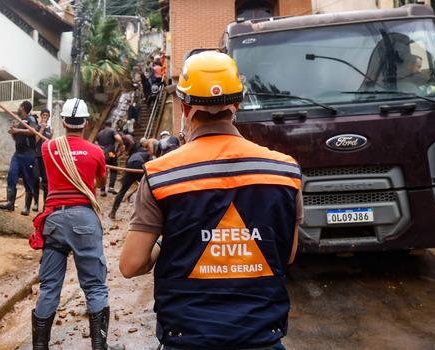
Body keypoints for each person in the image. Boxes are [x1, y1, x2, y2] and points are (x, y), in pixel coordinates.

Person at [119, 51, 302, 349]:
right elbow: (288, 254)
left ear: (184, 106)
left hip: (187, 338)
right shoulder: (284, 171)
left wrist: (171, 242)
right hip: (260, 337)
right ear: (237, 105)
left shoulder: (159, 174)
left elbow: (131, 265)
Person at [31, 98, 110, 350]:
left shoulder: (48, 148)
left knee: (49, 285)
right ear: (85, 123)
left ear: (63, 122)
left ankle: (40, 347)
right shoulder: (96, 152)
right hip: (84, 218)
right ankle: (99, 346)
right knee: (95, 285)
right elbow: (99, 181)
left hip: (54, 220)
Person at [0, 101, 39, 216]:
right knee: (12, 175)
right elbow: (16, 138)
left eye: (20, 106)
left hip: (28, 154)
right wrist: (12, 131)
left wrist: (18, 130)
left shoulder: (31, 119)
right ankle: (10, 203)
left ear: (23, 107)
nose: (18, 108)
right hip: (18, 154)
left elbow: (33, 131)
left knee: (28, 181)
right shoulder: (19, 121)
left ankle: (27, 207)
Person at [108, 140, 153, 219]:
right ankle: (146, 215)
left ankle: (113, 212)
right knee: (148, 190)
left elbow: (128, 164)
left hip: (130, 167)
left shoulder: (134, 154)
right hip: (139, 166)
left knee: (122, 191)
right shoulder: (148, 154)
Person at [30, 108, 54, 211]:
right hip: (36, 156)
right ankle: (35, 203)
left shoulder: (51, 130)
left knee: (45, 181)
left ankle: (46, 204)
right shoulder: (36, 127)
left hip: (45, 158)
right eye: (43, 115)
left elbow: (50, 143)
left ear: (49, 117)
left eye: (46, 115)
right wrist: (42, 129)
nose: (45, 117)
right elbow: (35, 141)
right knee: (35, 179)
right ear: (41, 116)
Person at [95, 120, 122, 196]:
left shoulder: (99, 133)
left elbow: (96, 144)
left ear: (104, 125)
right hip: (111, 154)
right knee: (114, 169)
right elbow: (119, 139)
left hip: (102, 154)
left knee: (103, 171)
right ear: (111, 124)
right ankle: (111, 187)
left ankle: (102, 190)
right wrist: (121, 145)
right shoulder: (112, 131)